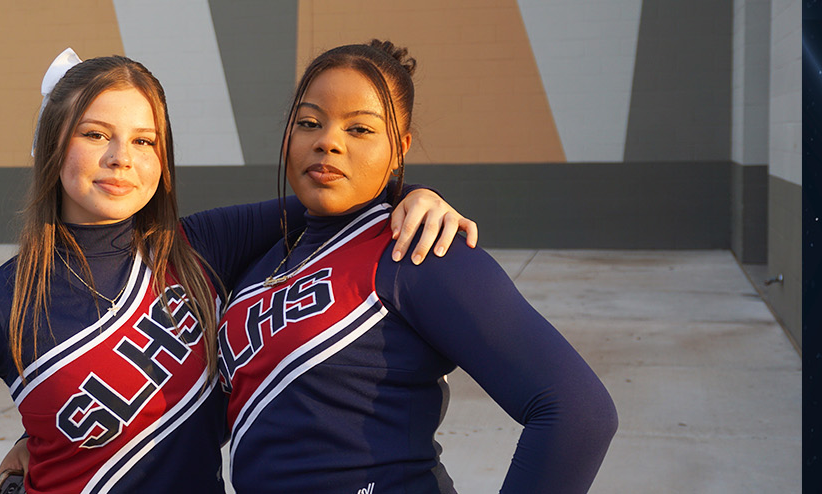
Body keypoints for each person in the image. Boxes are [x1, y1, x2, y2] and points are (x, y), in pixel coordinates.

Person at [0, 50, 479, 494]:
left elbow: (339, 190)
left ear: (163, 160)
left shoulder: (202, 245)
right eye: (96, 134)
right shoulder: (2, 302)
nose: (122, 158)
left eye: (145, 141)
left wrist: (413, 194)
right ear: (51, 146)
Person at [217, 40, 618, 493]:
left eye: (361, 130)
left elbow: (578, 413)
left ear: (399, 149)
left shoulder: (421, 250)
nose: (328, 141)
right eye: (310, 123)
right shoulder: (262, 257)